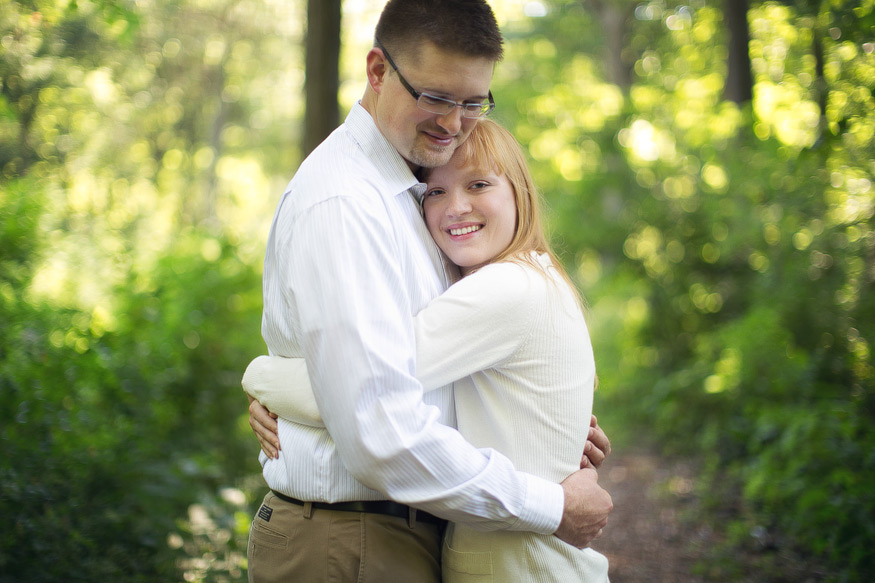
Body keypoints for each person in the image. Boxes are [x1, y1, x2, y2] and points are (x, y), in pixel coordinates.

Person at [245, 1, 612, 581]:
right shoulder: (348, 203)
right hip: (353, 537)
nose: (454, 121)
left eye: (473, 102)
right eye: (436, 97)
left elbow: (406, 367)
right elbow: (376, 427)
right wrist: (551, 503)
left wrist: (542, 426)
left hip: (405, 531)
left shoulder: (414, 187)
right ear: (377, 71)